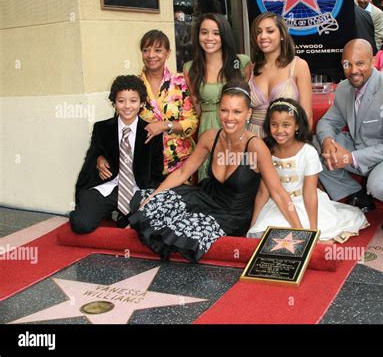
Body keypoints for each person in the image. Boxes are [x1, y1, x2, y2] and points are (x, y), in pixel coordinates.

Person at [128, 81, 303, 262]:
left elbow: (278, 192)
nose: (229, 117)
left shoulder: (256, 147)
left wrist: (303, 234)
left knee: (182, 230)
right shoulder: (211, 137)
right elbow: (182, 173)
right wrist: (154, 195)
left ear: (248, 113)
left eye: (237, 112)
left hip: (231, 215)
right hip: (205, 197)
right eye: (225, 110)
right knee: (151, 202)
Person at [316, 39, 383, 230]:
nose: (353, 70)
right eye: (347, 64)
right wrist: (327, 142)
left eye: (360, 63)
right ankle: (359, 194)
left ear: (373, 61)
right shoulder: (344, 88)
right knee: (315, 147)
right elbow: (327, 122)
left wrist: (350, 157)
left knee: (380, 184)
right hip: (363, 149)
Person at [247, 99, 368, 241]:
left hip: (304, 202)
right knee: (266, 232)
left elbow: (310, 192)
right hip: (277, 204)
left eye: (286, 125)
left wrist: (313, 229)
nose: (279, 130)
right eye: (274, 125)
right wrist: (253, 223)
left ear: (297, 126)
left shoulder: (308, 152)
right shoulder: (267, 151)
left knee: (309, 233)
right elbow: (263, 191)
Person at [96, 30, 198, 181]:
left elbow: (192, 122)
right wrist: (101, 156)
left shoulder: (180, 83)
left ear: (168, 53)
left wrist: (164, 125)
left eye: (158, 50)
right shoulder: (133, 85)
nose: (151, 55)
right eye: (146, 50)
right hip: (145, 167)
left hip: (182, 165)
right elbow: (117, 128)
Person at [70, 75, 165, 234]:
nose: (127, 106)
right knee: (82, 225)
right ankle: (111, 212)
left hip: (136, 189)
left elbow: (156, 172)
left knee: (146, 228)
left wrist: (148, 200)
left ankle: (122, 214)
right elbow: (92, 156)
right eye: (121, 101)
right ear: (114, 103)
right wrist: (98, 159)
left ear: (142, 103)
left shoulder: (152, 132)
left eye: (133, 101)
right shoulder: (102, 128)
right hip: (108, 187)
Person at [184, 13, 251, 181]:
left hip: (236, 128)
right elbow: (196, 105)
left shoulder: (241, 63)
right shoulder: (190, 68)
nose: (209, 38)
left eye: (216, 33)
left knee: (237, 180)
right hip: (207, 129)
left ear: (224, 35)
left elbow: (246, 99)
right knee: (209, 182)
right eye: (204, 32)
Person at [248, 12, 313, 138]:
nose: (263, 36)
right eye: (258, 32)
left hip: (286, 141)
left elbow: (307, 117)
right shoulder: (250, 69)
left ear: (282, 35)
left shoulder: (299, 66)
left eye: (270, 31)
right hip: (254, 140)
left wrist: (297, 149)